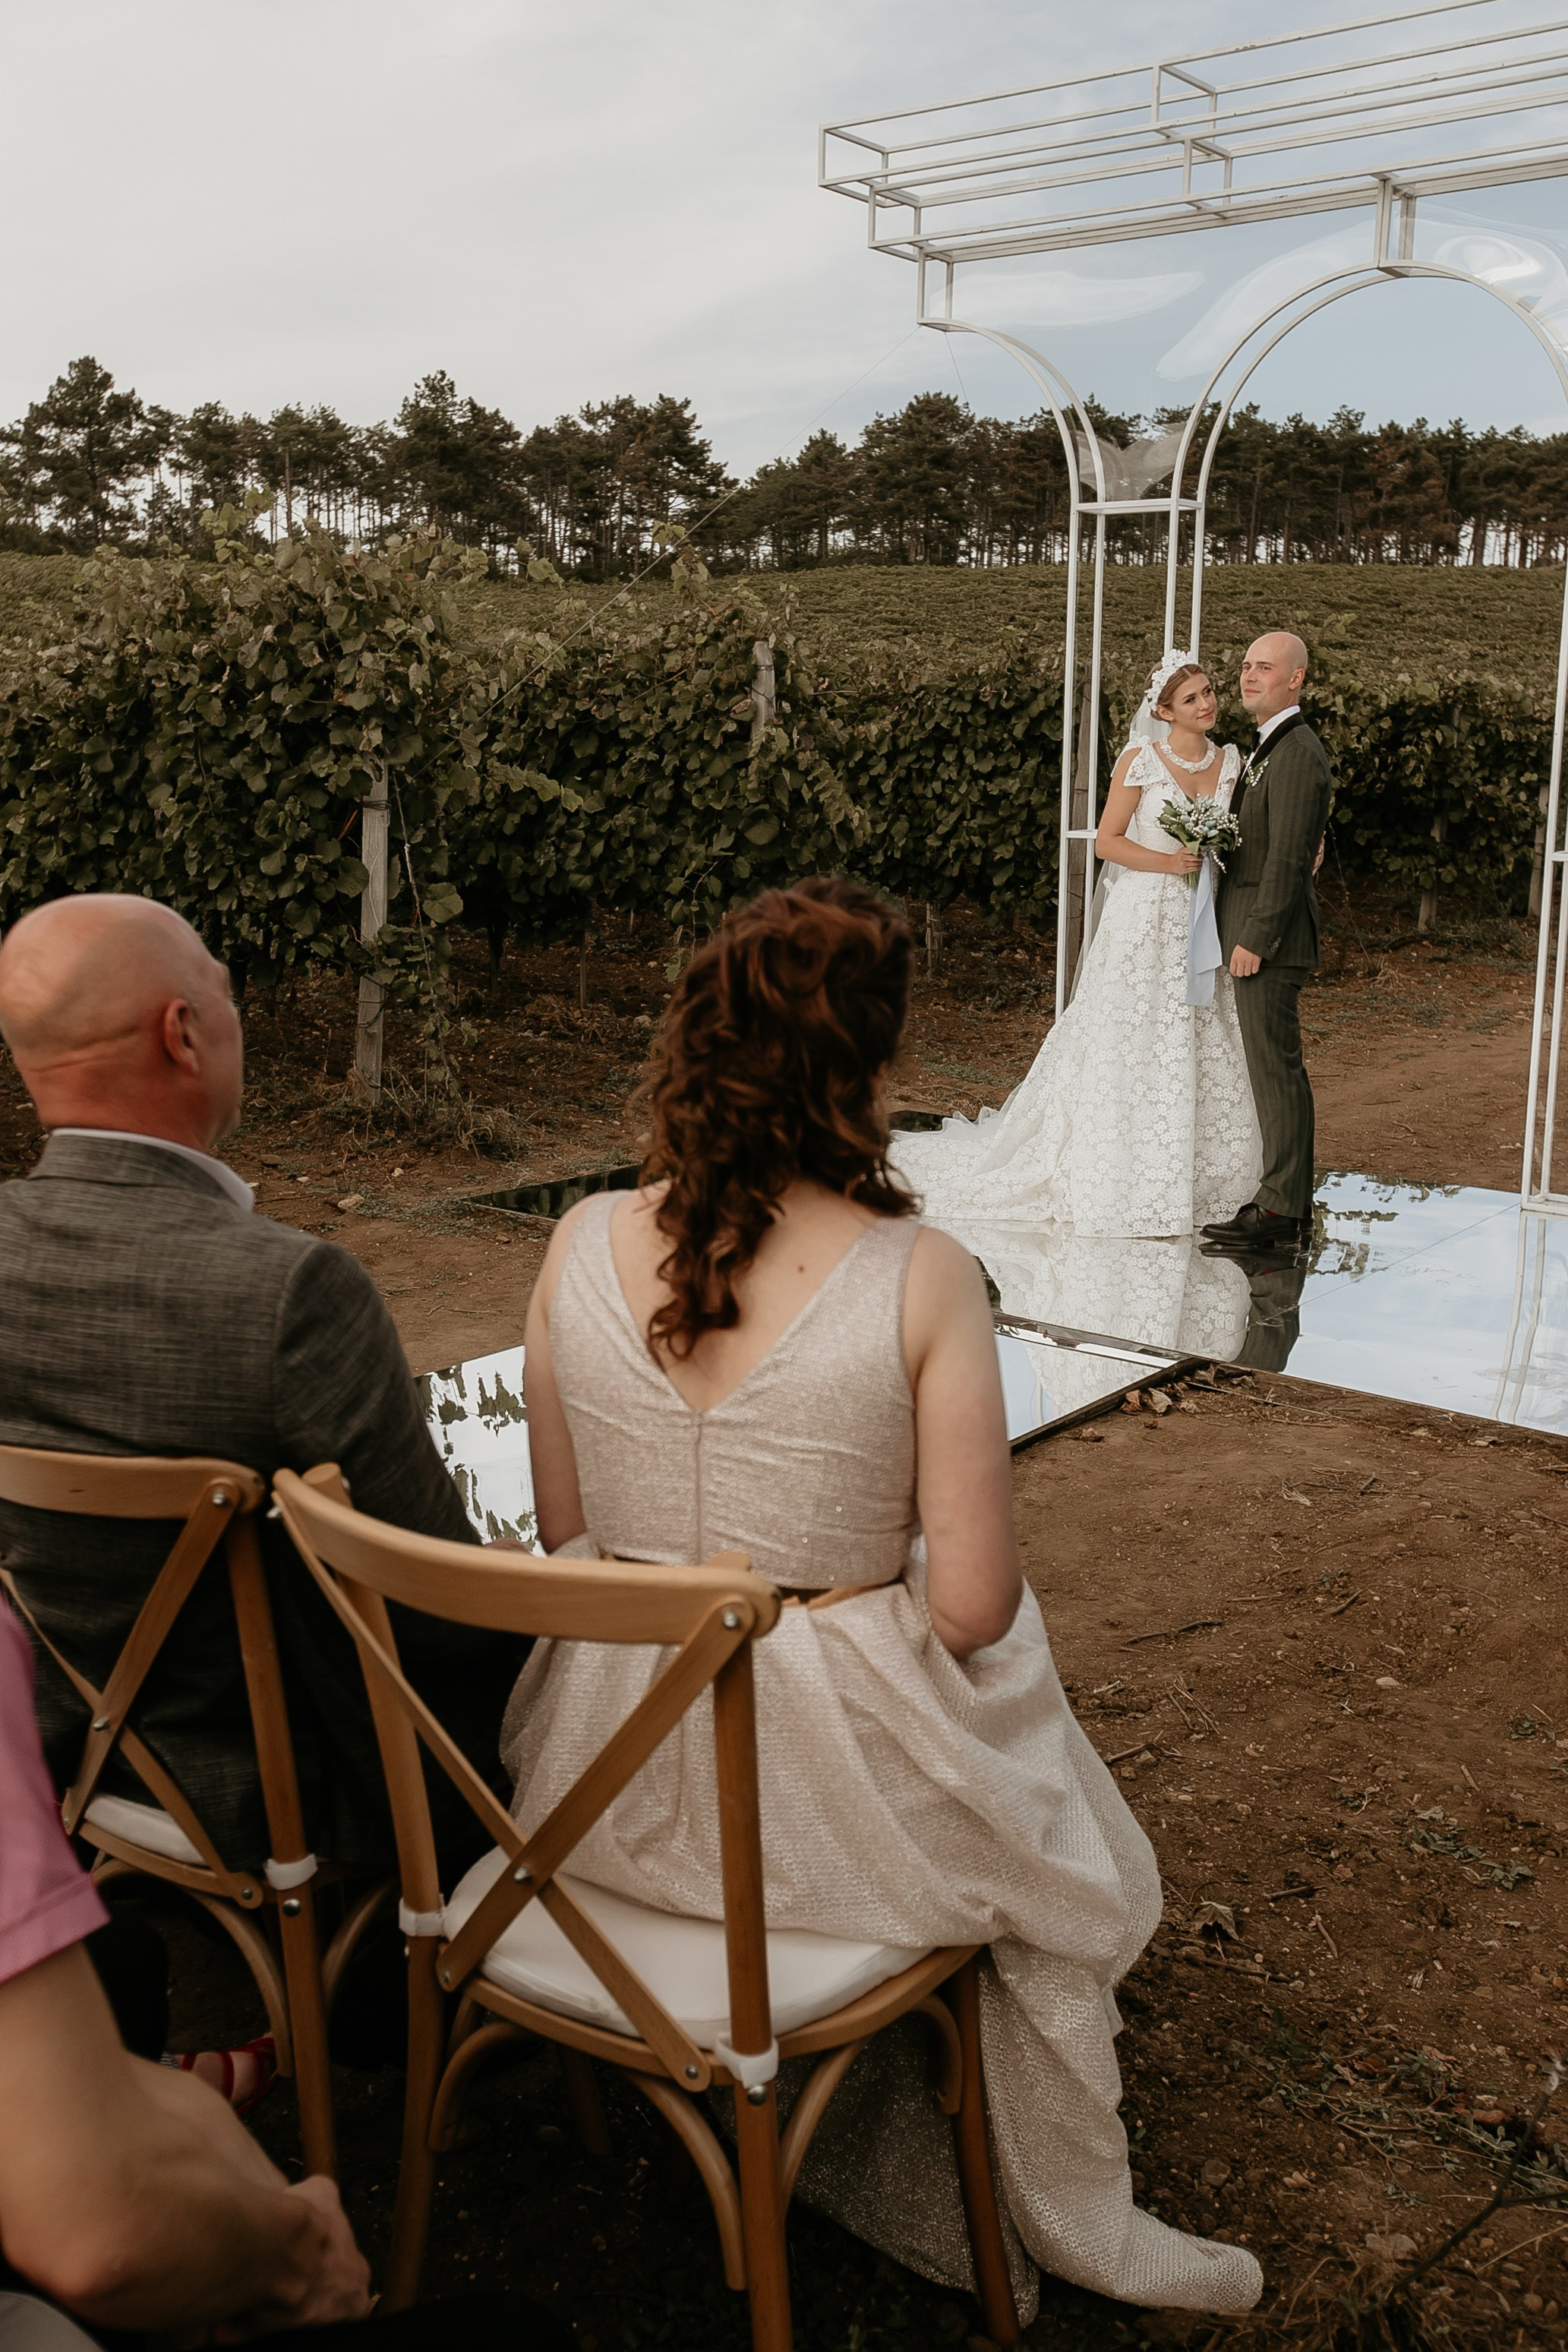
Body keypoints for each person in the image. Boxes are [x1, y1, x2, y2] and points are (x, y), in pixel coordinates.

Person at [501, 878, 1262, 2321]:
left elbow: (569, 1539)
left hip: (592, 1791)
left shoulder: (572, 1241)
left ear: (687, 1048)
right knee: (1002, 1651)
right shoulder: (921, 1274)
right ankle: (1043, 2164)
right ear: (865, 1073)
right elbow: (969, 1607)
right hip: (817, 1823)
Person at [0, 895, 522, 1877]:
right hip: (284, 1799)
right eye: (226, 993)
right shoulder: (289, 1290)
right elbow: (438, 1616)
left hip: (51, 1748)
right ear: (183, 1033)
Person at [0, 1601, 577, 2352]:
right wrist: (295, 2258)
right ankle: (406, 1988)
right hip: (270, 1780)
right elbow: (101, 2236)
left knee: (123, 1962)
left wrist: (154, 2104)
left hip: (115, 1761)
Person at [889, 653, 1260, 1240]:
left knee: (1198, 1032)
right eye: (1191, 698)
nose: (1207, 703)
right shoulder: (1141, 760)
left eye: (1209, 691)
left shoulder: (1232, 761)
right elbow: (1108, 843)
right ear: (1163, 711)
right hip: (1142, 918)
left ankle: (1201, 1174)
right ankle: (1118, 1168)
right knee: (1132, 1037)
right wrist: (1169, 861)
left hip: (1201, 917)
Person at [1202, 631, 1332, 1254]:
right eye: (1245, 665)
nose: (1248, 676)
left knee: (1277, 1071)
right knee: (1267, 1068)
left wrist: (1256, 935)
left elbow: (1286, 857)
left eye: (1264, 667)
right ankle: (1281, 1199)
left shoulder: (1298, 750)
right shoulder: (1267, 748)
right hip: (1249, 929)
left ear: (1295, 679)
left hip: (1269, 941)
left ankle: (1283, 1210)